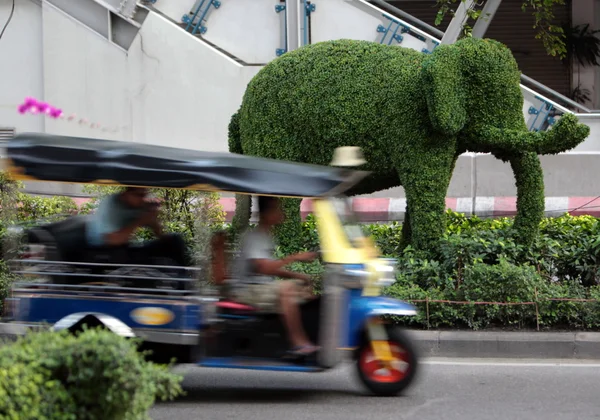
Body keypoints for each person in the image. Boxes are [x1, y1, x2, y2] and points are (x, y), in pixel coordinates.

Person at [230, 195, 320, 356]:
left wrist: (299, 276)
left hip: (260, 288)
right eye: (277, 209)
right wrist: (294, 257)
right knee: (287, 289)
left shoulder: (266, 236)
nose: (281, 213)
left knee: (304, 290)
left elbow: (270, 269)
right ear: (267, 213)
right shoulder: (255, 237)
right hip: (245, 291)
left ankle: (307, 336)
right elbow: (264, 268)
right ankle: (298, 343)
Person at [85, 187, 188, 266]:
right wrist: (140, 221)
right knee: (137, 257)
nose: (142, 199)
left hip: (124, 248)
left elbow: (160, 235)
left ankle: (183, 282)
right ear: (127, 194)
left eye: (144, 195)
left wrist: (153, 216)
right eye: (139, 195)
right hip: (104, 250)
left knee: (175, 240)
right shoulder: (111, 204)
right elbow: (113, 240)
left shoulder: (137, 205)